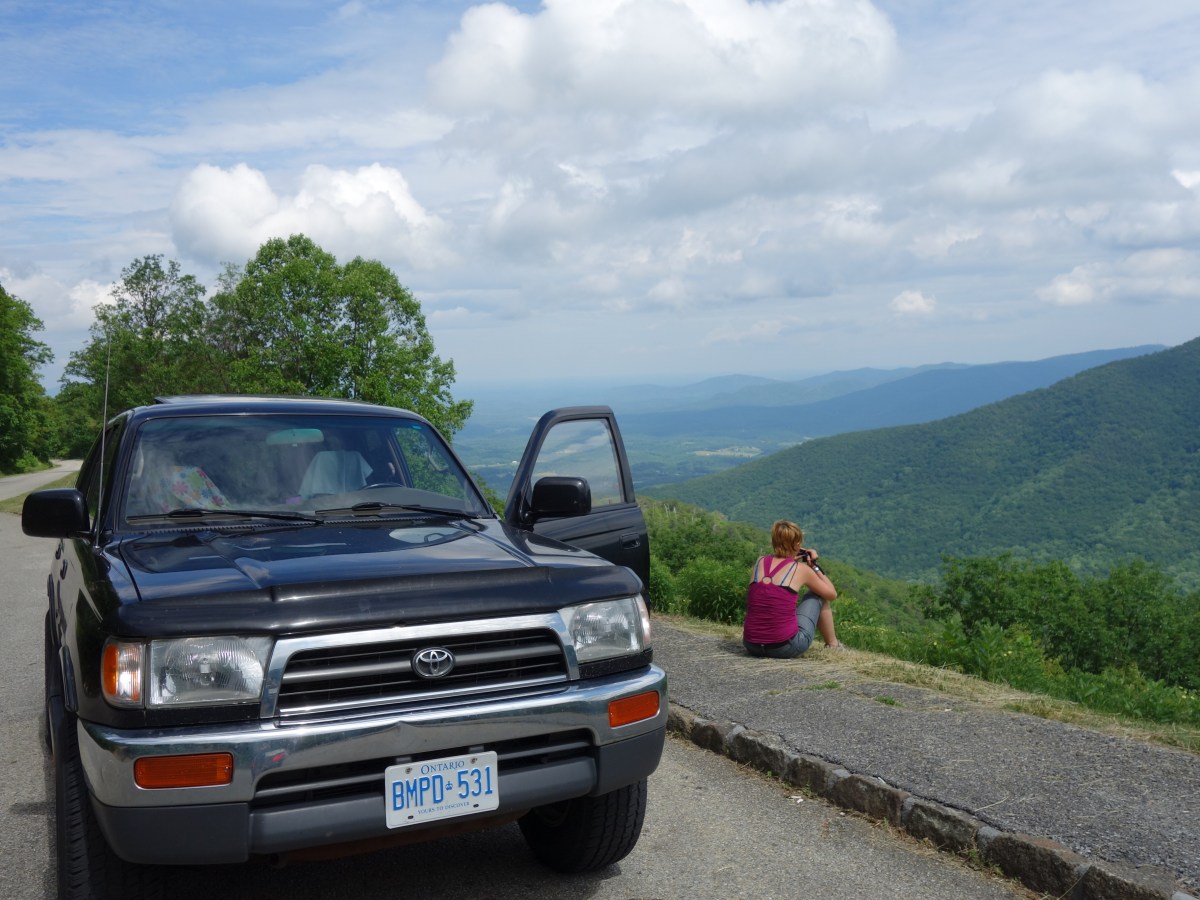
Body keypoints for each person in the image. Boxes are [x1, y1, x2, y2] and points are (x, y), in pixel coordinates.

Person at [743, 520, 844, 658]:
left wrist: (790, 559)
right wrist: (814, 566)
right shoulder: (801, 569)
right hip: (783, 647)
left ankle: (833, 645)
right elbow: (832, 594)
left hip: (751, 645)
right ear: (797, 545)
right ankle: (833, 645)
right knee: (818, 596)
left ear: (774, 542)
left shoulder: (760, 561)